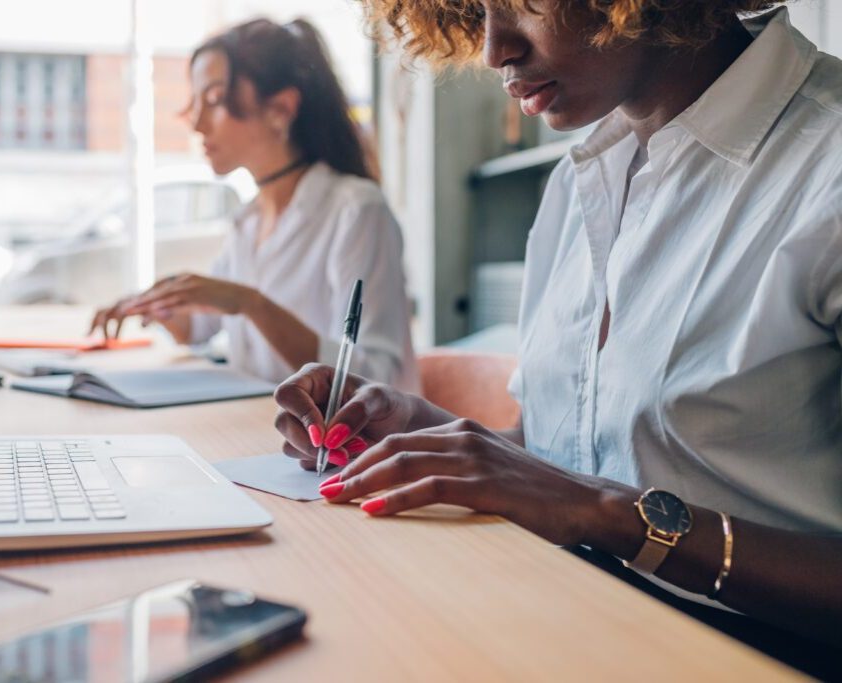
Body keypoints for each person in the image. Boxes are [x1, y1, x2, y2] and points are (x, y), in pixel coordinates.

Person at [273, 0, 842, 662]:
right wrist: (424, 429)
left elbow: (588, 496)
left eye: (518, 3)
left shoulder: (824, 163)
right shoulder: (580, 181)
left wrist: (612, 514)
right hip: (568, 616)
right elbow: (583, 457)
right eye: (472, 9)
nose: (493, 51)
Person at [90, 19, 419, 394]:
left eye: (213, 100)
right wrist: (155, 304)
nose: (196, 123)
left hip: (343, 449)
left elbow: (376, 378)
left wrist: (251, 304)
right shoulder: (248, 219)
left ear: (281, 109)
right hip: (263, 429)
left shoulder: (357, 211)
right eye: (194, 103)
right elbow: (198, 329)